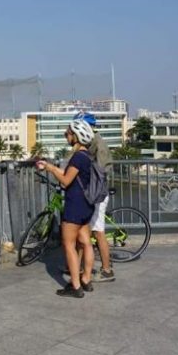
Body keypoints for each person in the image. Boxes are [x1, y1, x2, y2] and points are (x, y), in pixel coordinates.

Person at [36, 117, 96, 298]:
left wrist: (52, 170)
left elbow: (66, 180)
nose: (66, 136)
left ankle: (75, 286)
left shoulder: (77, 157)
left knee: (68, 244)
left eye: (68, 133)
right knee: (86, 242)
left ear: (76, 136)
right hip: (86, 206)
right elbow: (71, 175)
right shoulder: (87, 156)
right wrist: (49, 166)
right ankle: (86, 279)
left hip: (74, 205)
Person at [76, 113, 115, 283]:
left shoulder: (96, 144)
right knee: (84, 231)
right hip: (93, 194)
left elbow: (100, 171)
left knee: (98, 233)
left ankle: (106, 270)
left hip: (97, 195)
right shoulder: (93, 142)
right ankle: (76, 266)